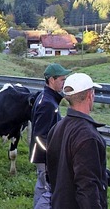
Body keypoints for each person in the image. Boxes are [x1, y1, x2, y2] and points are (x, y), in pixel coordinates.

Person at [46, 73, 109, 209]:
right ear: (89, 95)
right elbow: (87, 190)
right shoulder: (88, 136)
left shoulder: (57, 127)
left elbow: (53, 172)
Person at [30, 63, 71, 208]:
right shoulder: (47, 103)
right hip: (45, 156)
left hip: (42, 155)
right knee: (48, 189)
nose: (64, 83)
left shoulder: (46, 98)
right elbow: (40, 136)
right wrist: (51, 156)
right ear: (51, 80)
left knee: (42, 187)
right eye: (62, 80)